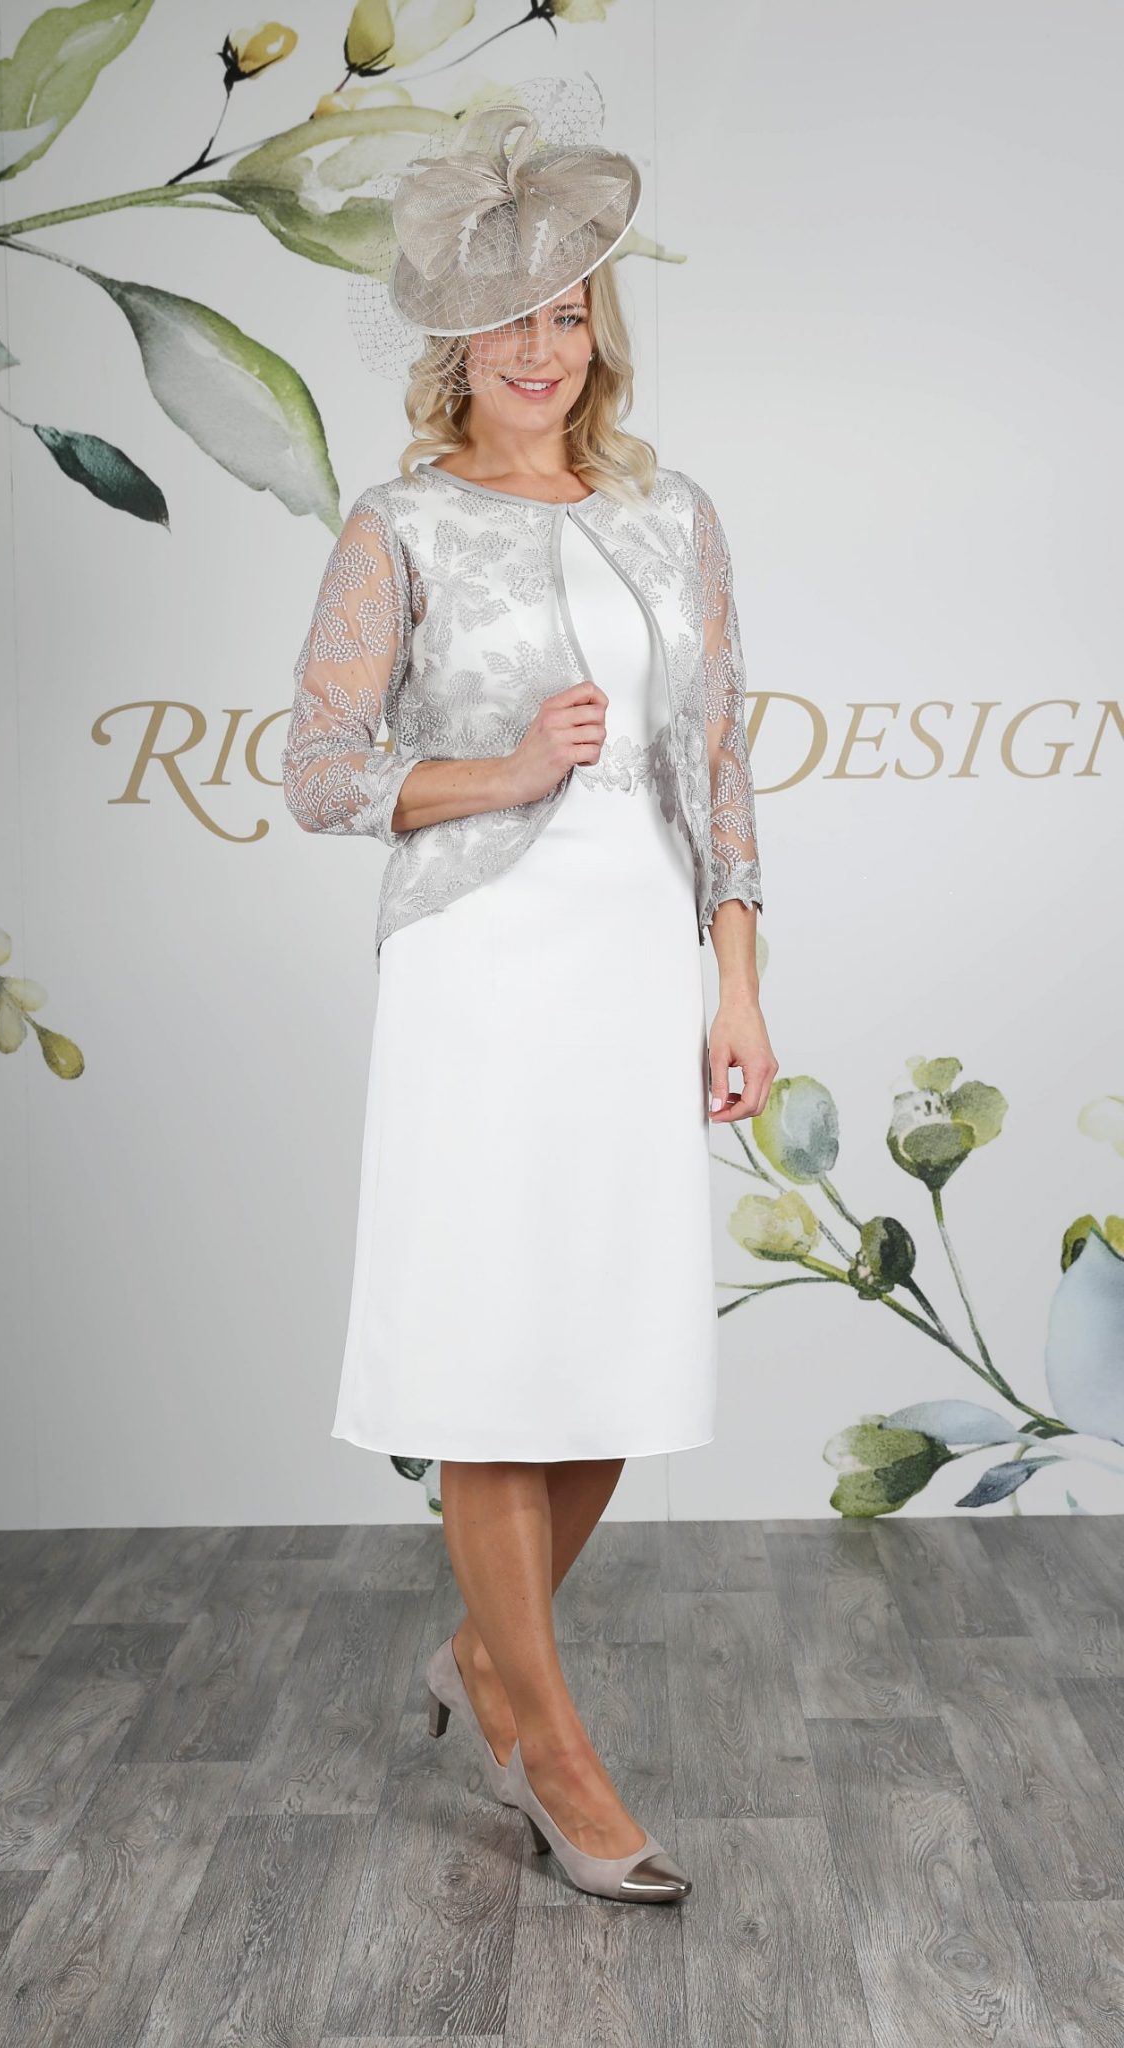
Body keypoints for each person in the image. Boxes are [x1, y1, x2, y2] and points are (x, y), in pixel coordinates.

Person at [282, 80, 778, 1904]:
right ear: (453, 344)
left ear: (597, 335)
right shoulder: (399, 524)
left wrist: (736, 988)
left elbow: (717, 768)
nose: (541, 349)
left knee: (609, 1354)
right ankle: (553, 1757)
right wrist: (498, 769)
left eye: (567, 315)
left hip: (632, 963)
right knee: (493, 1364)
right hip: (478, 973)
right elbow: (317, 770)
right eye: (508, 320)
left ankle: (482, 1660)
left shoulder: (675, 515)